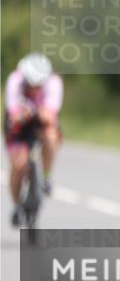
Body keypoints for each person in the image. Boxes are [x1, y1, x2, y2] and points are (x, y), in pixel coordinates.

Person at [5, 52, 63, 226]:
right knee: (18, 165)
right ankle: (16, 205)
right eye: (31, 85)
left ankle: (45, 177)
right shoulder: (15, 80)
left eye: (39, 86)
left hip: (40, 120)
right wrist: (22, 114)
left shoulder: (54, 82)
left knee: (51, 136)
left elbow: (50, 114)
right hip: (20, 124)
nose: (35, 89)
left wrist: (39, 113)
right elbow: (14, 113)